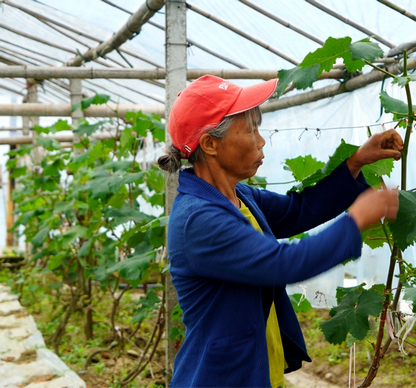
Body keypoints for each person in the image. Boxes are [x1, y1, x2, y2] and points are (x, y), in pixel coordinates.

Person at [158, 75, 403, 388]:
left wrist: (356, 162)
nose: (260, 141)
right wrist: (355, 220)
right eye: (250, 130)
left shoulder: (238, 196)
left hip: (257, 368)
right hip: (223, 377)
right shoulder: (199, 219)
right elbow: (281, 264)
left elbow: (297, 210)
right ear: (209, 144)